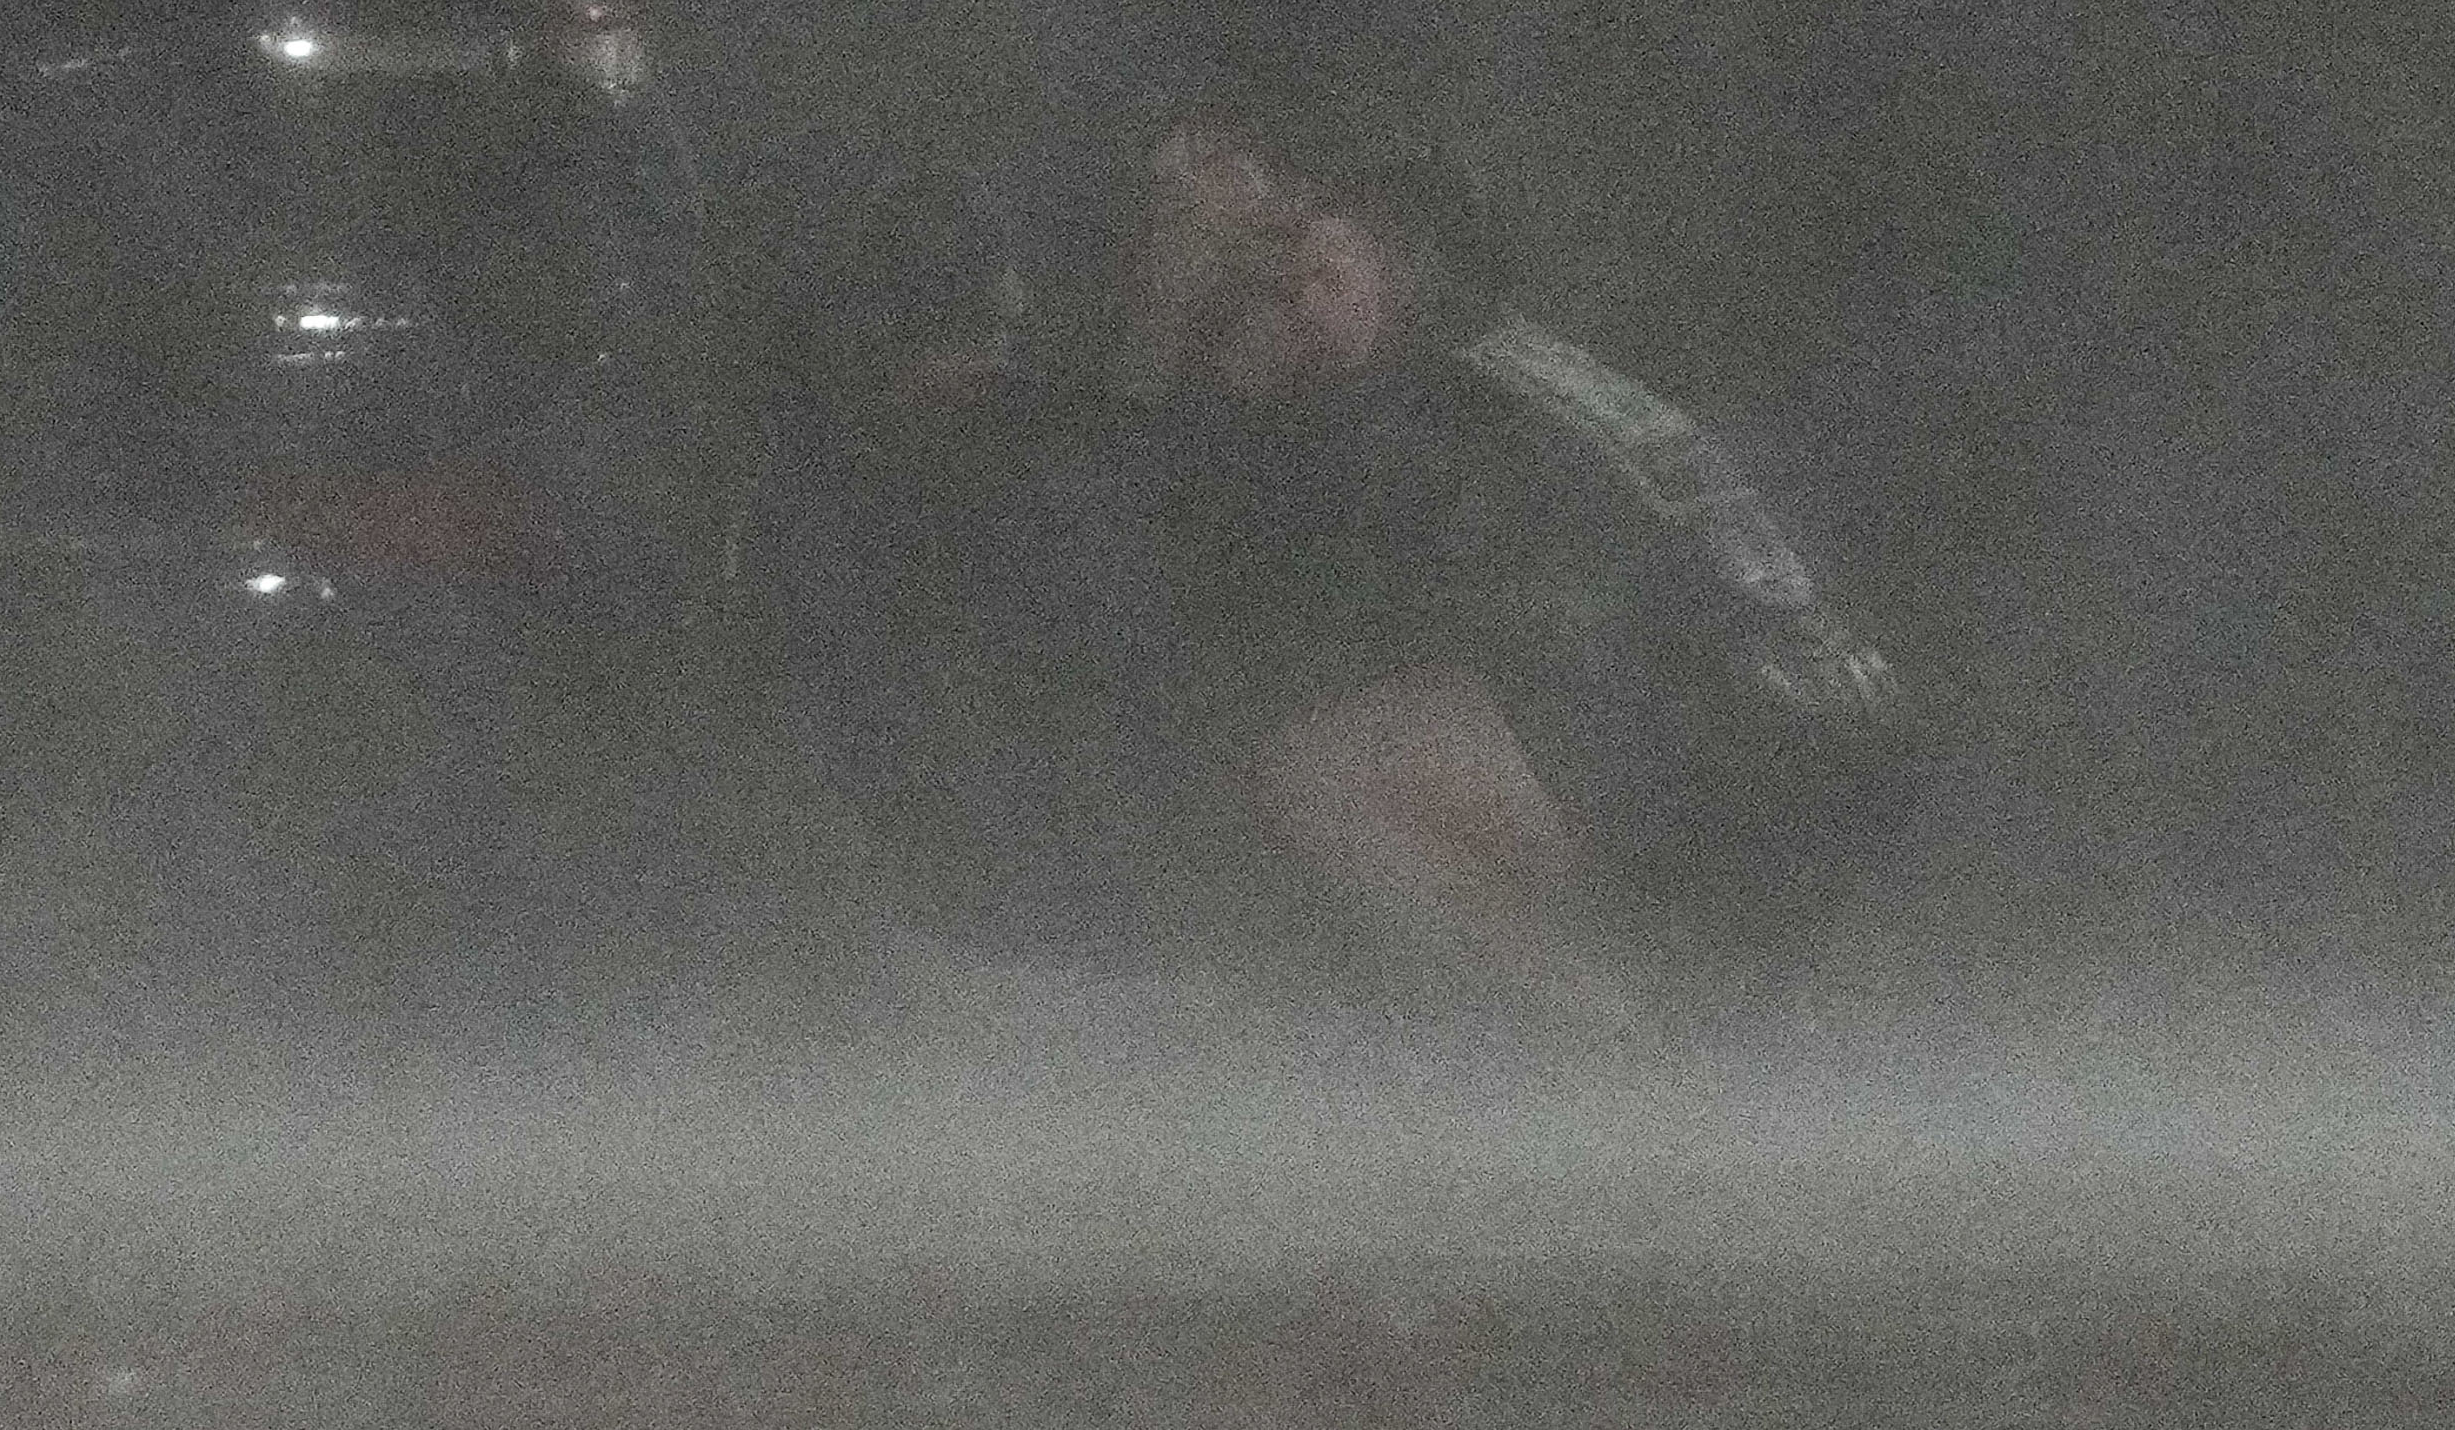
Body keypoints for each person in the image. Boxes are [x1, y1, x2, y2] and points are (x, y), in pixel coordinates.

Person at [766, 88, 1910, 1041]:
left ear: (1398, 282)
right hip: (1835, 714)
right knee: (1410, 739)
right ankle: (1737, 1023)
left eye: (1319, 278)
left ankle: (1611, 1043)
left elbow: (1164, 536)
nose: (1293, 308)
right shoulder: (1514, 364)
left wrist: (1177, 327)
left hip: (1742, 730)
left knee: (1314, 775)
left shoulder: (1409, 403)